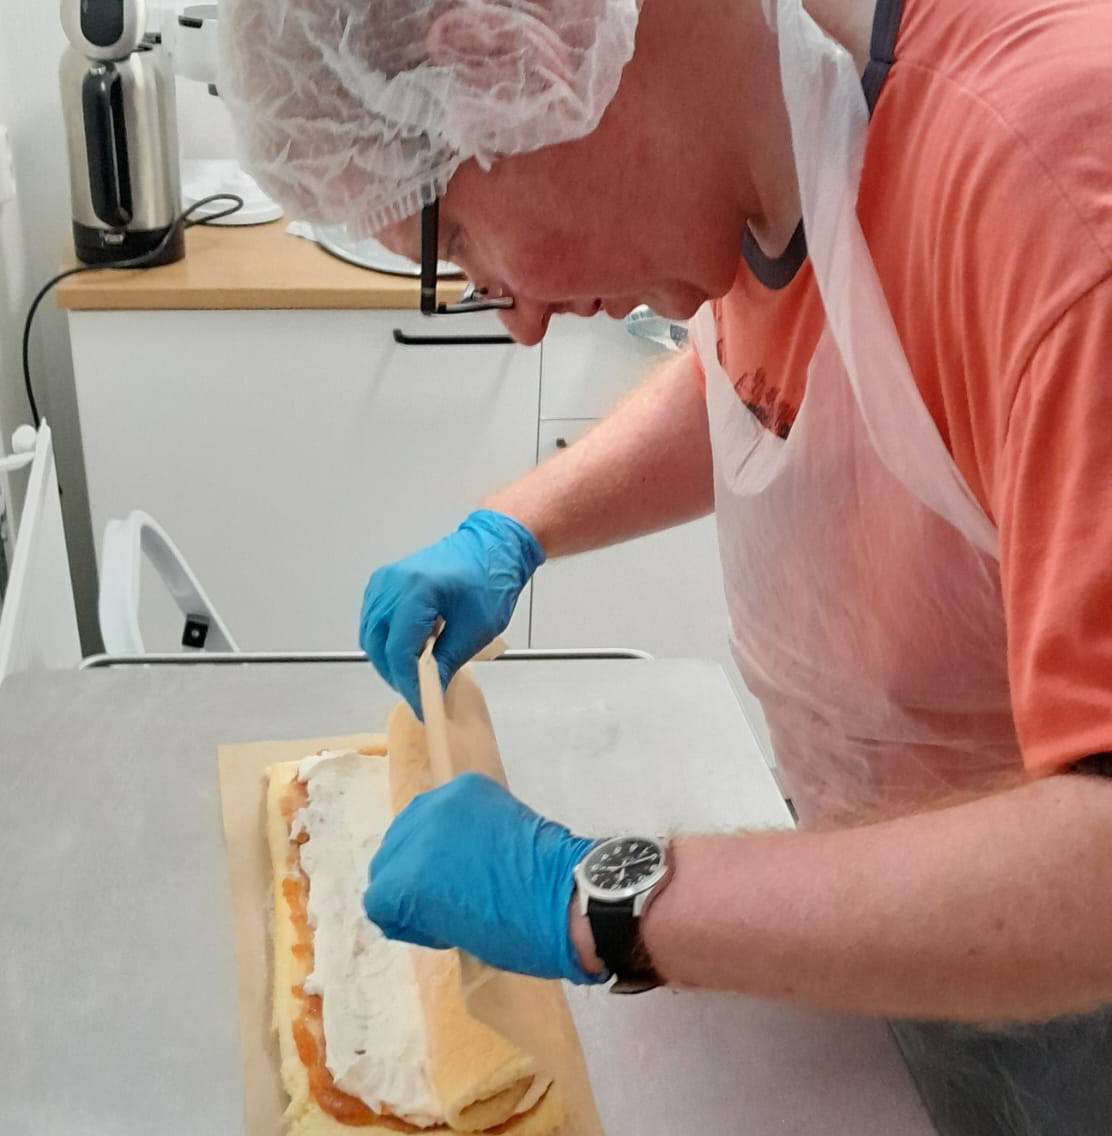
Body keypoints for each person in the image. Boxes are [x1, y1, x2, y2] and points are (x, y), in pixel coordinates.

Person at [219, 0, 1112, 1131]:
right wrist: (517, 526)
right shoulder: (769, 149)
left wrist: (604, 899)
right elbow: (789, 380)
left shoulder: (1052, 190)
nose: (521, 322)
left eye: (464, 250)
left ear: (511, 62)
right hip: (908, 920)